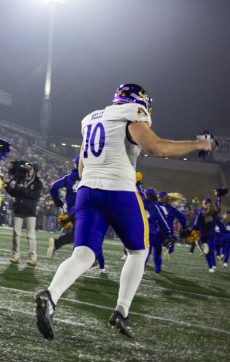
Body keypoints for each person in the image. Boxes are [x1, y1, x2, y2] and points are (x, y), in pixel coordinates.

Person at [35, 83, 213, 340]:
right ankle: (121, 311)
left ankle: (50, 297)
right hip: (119, 191)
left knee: (83, 254)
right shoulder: (131, 114)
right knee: (138, 251)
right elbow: (157, 148)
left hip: (87, 190)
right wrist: (198, 145)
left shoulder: (92, 119)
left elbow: (83, 167)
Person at [6, 162, 43, 266]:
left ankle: (32, 257)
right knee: (16, 234)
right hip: (18, 210)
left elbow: (34, 196)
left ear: (35, 171)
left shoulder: (37, 183)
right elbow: (14, 193)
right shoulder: (20, 180)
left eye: (32, 169)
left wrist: (24, 189)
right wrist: (7, 187)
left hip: (30, 212)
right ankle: (15, 255)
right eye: (29, 169)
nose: (30, 171)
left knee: (31, 235)